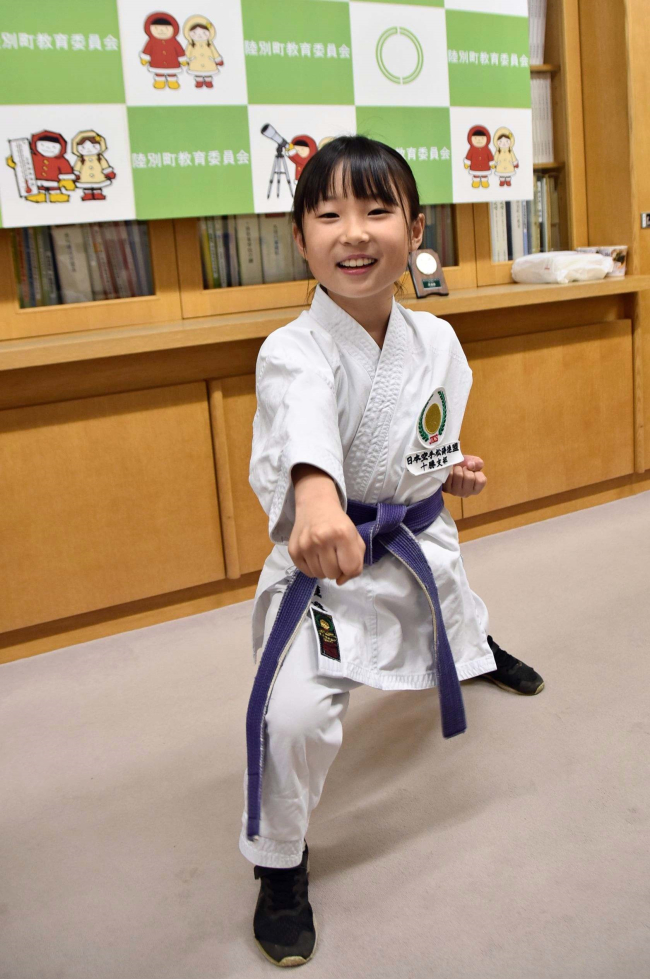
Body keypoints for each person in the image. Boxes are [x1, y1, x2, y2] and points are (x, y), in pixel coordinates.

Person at [241, 135, 544, 968]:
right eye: (329, 212)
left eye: (378, 210)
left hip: (411, 533)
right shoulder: (291, 349)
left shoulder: (439, 340)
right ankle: (280, 863)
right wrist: (314, 494)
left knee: (447, 592)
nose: (355, 231)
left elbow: (425, 433)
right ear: (300, 238)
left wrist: (450, 471)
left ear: (416, 231)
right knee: (293, 715)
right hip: (325, 563)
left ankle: (477, 650)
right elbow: (305, 427)